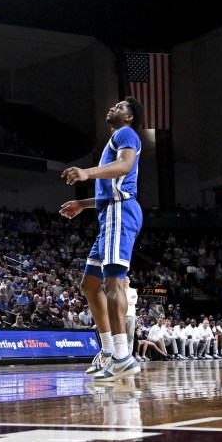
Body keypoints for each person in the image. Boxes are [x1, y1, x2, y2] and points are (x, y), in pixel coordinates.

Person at [60, 97, 145, 382]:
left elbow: (124, 167)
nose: (113, 107)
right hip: (110, 212)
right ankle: (108, 351)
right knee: (90, 283)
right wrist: (83, 204)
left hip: (121, 212)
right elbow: (110, 189)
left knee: (113, 282)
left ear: (130, 117)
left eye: (121, 106)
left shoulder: (126, 134)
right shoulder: (116, 138)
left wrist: (86, 173)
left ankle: (122, 356)